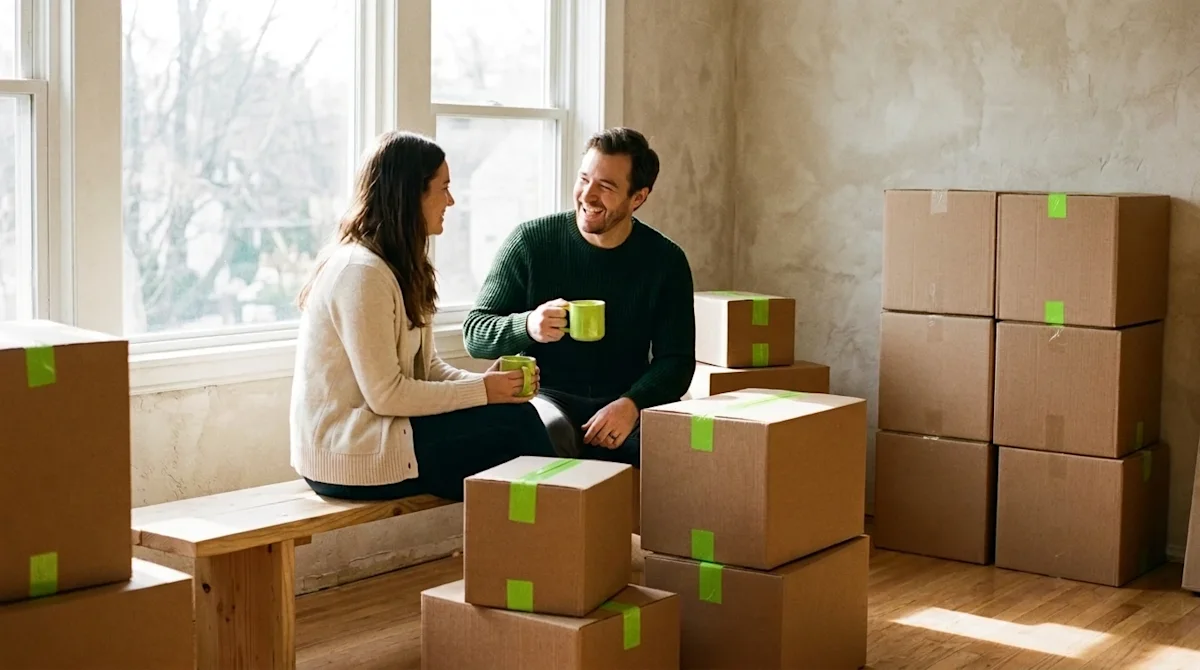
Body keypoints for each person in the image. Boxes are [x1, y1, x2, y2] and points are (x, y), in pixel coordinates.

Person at [289, 130, 557, 503]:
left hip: (387, 434)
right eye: (443, 187)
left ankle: (538, 542)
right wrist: (481, 392)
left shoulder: (402, 267)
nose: (451, 200)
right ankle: (561, 537)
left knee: (514, 422)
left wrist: (488, 385)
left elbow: (427, 367)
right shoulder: (360, 272)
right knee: (515, 429)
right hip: (350, 452)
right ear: (411, 194)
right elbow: (387, 396)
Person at [462, 127, 696, 468]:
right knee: (536, 440)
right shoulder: (531, 244)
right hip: (545, 402)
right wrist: (528, 326)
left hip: (623, 405)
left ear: (638, 197)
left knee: (680, 457)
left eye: (606, 186)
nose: (587, 195)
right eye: (584, 178)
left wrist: (631, 405)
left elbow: (676, 361)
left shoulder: (666, 262)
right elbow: (475, 334)